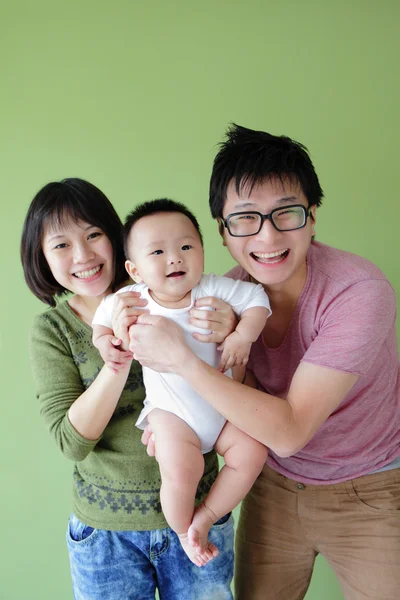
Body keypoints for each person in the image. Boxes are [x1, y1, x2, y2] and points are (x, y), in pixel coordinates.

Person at [123, 125, 400, 600]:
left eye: (286, 213)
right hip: (270, 486)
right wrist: (176, 415)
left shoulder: (358, 292)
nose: (267, 235)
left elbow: (290, 431)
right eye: (246, 218)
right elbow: (232, 400)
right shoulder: (216, 296)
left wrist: (186, 364)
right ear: (223, 232)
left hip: (370, 491)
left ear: (312, 217)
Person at [21, 178, 238, 600]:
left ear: (119, 242)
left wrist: (230, 332)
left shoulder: (182, 295)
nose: (83, 256)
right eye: (61, 245)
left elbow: (232, 391)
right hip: (106, 535)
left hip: (200, 517)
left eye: (94, 235)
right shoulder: (53, 330)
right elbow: (72, 443)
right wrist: (116, 357)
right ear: (42, 258)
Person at [92, 198, 270, 566]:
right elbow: (102, 318)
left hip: (222, 409)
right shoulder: (132, 300)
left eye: (186, 246)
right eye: (157, 251)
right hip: (172, 414)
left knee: (253, 452)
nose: (175, 258)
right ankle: (183, 531)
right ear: (134, 269)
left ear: (202, 251)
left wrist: (243, 336)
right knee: (180, 472)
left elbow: (257, 298)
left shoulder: (213, 289)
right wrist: (102, 342)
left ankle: (205, 517)